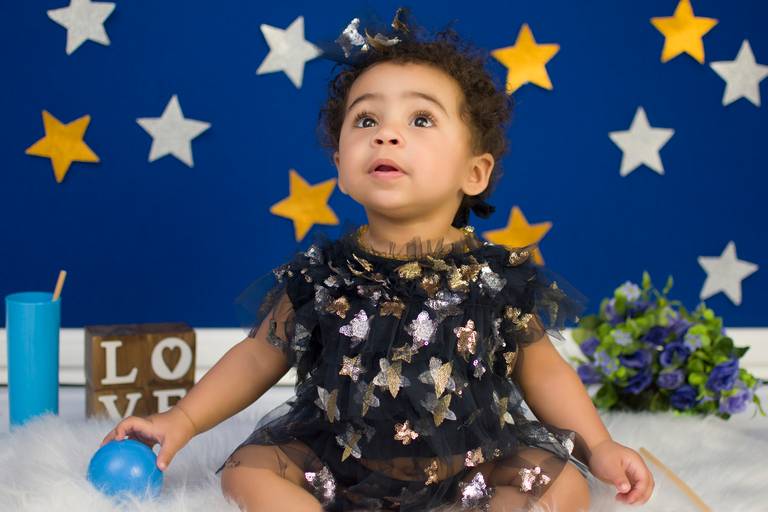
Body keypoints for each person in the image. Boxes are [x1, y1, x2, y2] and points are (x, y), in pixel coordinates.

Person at [99, 9, 654, 512]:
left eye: (421, 120)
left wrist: (599, 445)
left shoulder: (494, 279)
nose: (386, 134)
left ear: (474, 173)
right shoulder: (323, 275)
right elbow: (256, 356)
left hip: (472, 466)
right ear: (341, 167)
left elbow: (544, 371)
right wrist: (182, 419)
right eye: (366, 121)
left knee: (565, 485)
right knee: (247, 471)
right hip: (339, 461)